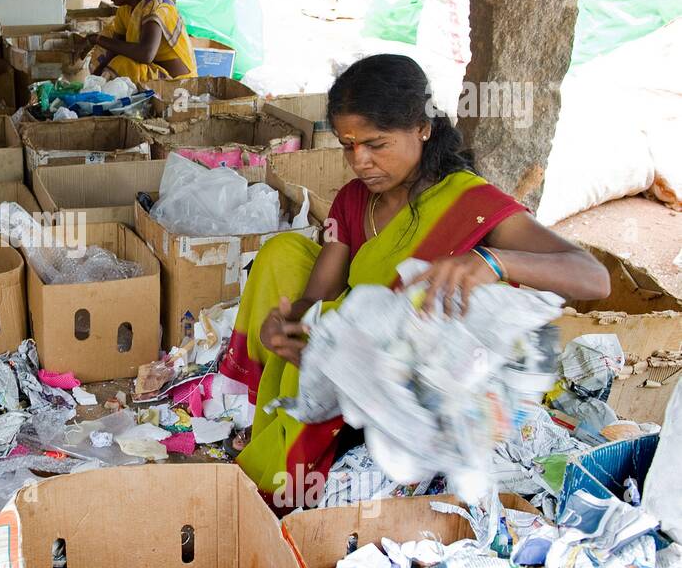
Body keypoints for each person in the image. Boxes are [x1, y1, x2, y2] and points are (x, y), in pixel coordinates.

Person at [218, 54, 611, 506]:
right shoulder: (353, 200)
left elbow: (593, 278)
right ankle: (294, 443)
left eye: (376, 144)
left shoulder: (470, 203)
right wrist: (292, 329)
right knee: (283, 254)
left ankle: (303, 466)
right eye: (348, 145)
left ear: (422, 129)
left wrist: (493, 262)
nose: (360, 161)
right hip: (362, 373)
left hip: (426, 390)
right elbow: (318, 296)